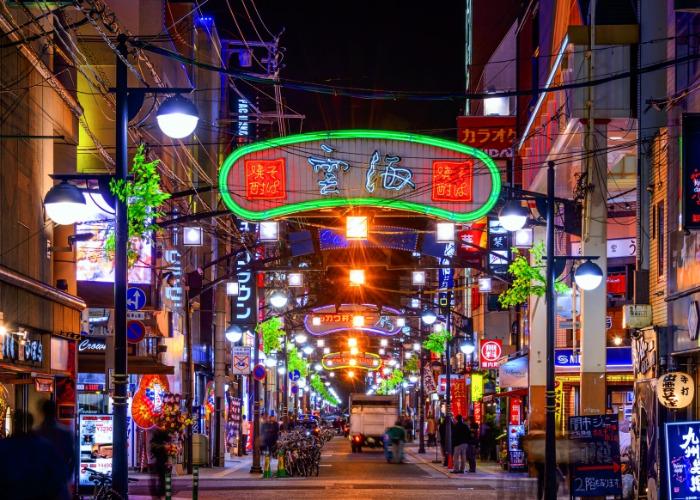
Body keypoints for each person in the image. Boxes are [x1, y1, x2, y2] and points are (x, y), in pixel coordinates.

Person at [0, 409, 64, 499]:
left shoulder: (4, 446)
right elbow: (57, 476)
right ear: (31, 423)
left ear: (14, 423)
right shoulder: (44, 446)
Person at [36, 400, 74, 500]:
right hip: (60, 482)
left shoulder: (37, 433)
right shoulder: (65, 433)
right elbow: (73, 458)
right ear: (55, 411)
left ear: (42, 412)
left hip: (41, 483)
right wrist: (67, 477)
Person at [149, 429, 170, 498]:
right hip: (160, 460)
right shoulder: (158, 441)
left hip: (159, 460)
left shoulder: (155, 440)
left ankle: (159, 493)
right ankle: (160, 493)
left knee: (161, 477)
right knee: (162, 477)